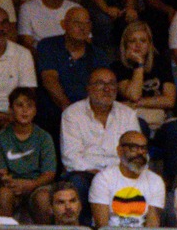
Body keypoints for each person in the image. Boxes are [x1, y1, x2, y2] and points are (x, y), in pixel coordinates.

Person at [59, 66, 142, 194]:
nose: (107, 89)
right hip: (87, 173)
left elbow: (136, 152)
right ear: (88, 87)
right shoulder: (72, 114)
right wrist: (99, 176)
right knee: (77, 182)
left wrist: (117, 174)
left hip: (121, 173)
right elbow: (71, 157)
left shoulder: (128, 114)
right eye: (100, 83)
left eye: (112, 84)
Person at [0, 89, 57, 222]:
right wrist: (9, 181)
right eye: (19, 105)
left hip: (38, 185)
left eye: (30, 106)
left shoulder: (44, 137)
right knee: (3, 194)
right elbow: (0, 171)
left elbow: (49, 173)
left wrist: (31, 185)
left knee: (43, 198)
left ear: (35, 110)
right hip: (12, 185)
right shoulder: (1, 136)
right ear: (10, 109)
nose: (25, 110)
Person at [88, 130, 165, 230]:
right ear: (119, 151)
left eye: (143, 148)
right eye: (133, 148)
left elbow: (152, 228)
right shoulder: (103, 179)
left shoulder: (156, 181)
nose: (140, 153)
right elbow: (103, 227)